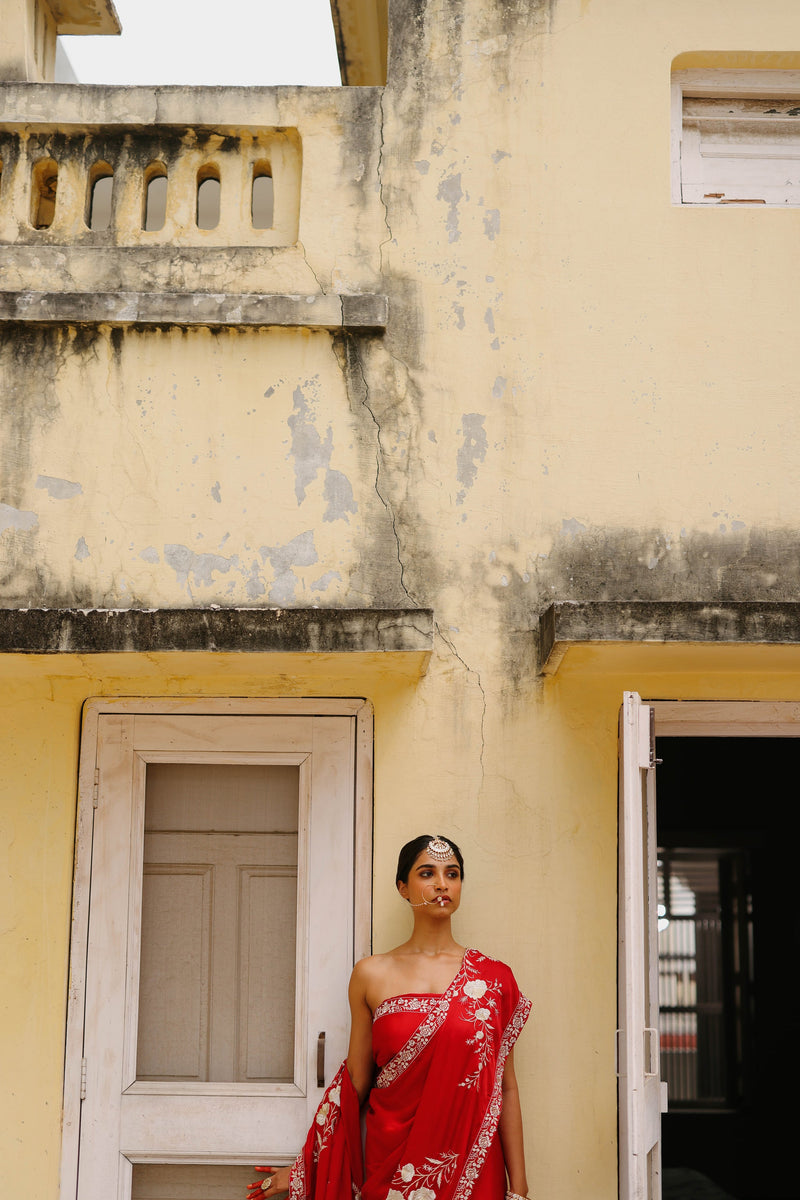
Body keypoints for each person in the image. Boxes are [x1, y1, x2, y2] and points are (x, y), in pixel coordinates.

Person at [247, 834, 531, 1200]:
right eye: (427, 873)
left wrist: (519, 1190)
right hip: (393, 1167)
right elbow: (355, 1084)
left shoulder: (494, 979)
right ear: (402, 887)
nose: (442, 884)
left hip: (472, 1171)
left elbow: (504, 1088)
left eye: (453, 874)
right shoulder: (371, 974)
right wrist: (307, 1166)